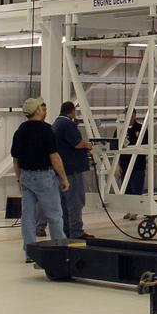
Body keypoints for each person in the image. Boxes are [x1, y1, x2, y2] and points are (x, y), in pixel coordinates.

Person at [10, 97, 68, 261]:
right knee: (54, 215)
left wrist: (19, 179)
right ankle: (60, 248)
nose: (44, 109)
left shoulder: (20, 131)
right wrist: (63, 178)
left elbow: (16, 160)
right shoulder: (46, 130)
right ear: (36, 110)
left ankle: (30, 252)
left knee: (28, 216)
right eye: (41, 107)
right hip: (44, 177)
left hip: (26, 176)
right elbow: (54, 157)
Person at [52, 101, 94, 240]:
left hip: (61, 170)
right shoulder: (68, 124)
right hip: (72, 170)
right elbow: (77, 143)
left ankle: (67, 230)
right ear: (71, 111)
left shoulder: (55, 124)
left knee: (64, 203)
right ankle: (76, 231)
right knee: (75, 201)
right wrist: (88, 145)